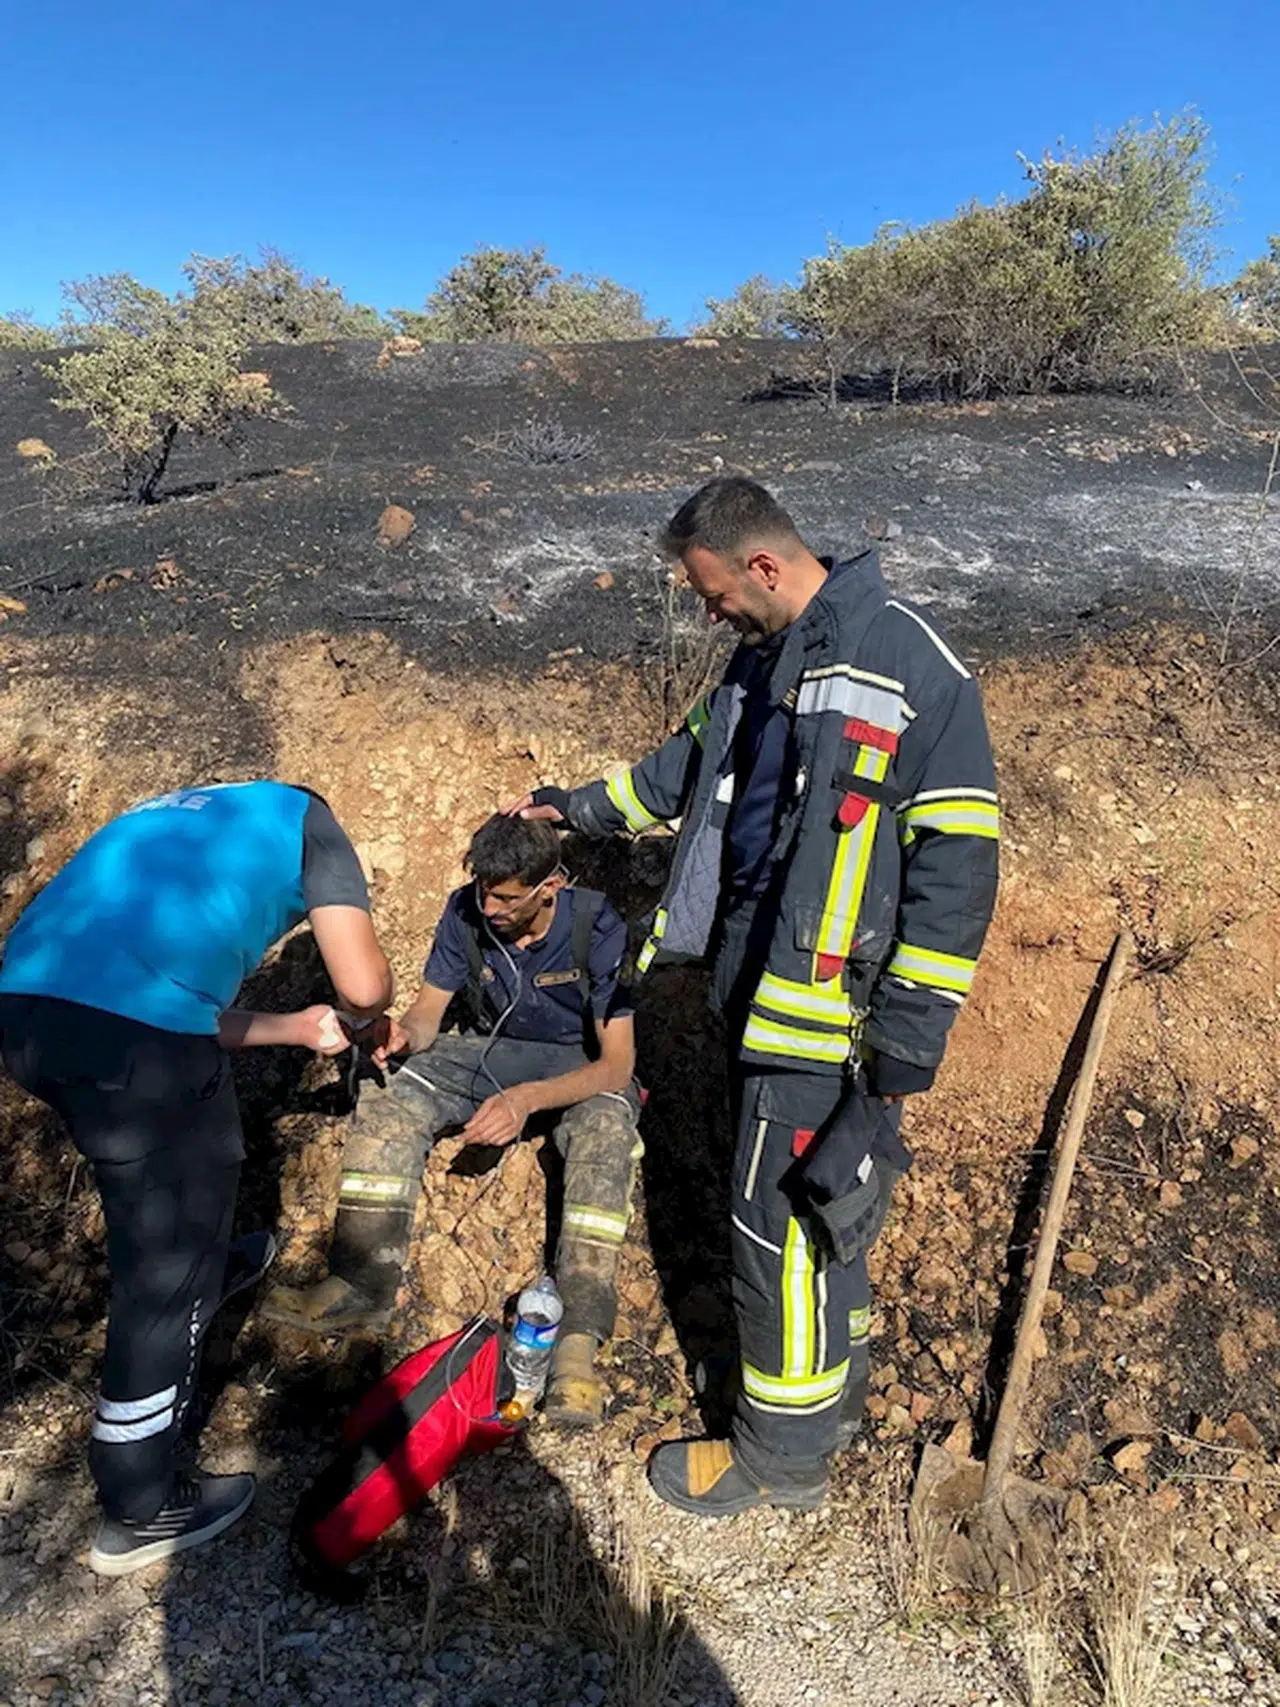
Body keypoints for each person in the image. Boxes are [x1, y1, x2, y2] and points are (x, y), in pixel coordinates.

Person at [512, 476, 999, 1516]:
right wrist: (571, 811)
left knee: (770, 1230)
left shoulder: (906, 660)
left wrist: (905, 1046)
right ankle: (837, 1400)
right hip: (754, 992)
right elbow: (675, 773)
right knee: (823, 1218)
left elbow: (957, 871)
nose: (708, 612)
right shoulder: (756, 663)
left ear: (762, 566)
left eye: (711, 592)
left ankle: (777, 1462)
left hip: (827, 1019)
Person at [0, 781, 394, 1574]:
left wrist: (295, 1028)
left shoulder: (168, 813)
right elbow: (363, 985)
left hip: (26, 1011)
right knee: (163, 1270)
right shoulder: (313, 821)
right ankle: (137, 1504)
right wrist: (364, 1015)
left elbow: (172, 1000)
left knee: (198, 1158)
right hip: (130, 1044)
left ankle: (209, 1266)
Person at [262, 813, 642, 1431]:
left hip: (577, 1072)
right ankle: (359, 1287)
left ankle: (575, 1346)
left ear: (551, 887)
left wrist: (524, 1100)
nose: (489, 906)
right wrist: (399, 1037)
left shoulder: (596, 924)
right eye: (482, 891)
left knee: (606, 1132)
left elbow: (617, 1065)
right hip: (489, 1052)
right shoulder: (465, 911)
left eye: (506, 897)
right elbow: (429, 1016)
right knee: (391, 1091)